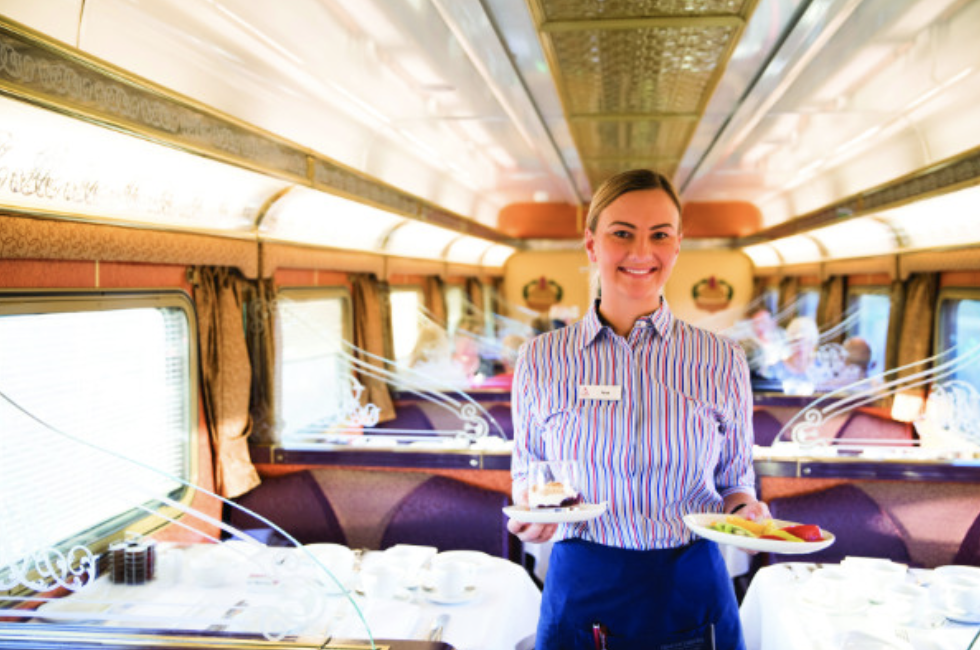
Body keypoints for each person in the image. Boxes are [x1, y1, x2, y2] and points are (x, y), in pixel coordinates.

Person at [508, 169, 769, 650]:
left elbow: (735, 482)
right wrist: (532, 511)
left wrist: (746, 511)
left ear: (678, 245)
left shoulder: (721, 360)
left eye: (660, 235)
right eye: (622, 233)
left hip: (690, 582)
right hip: (582, 579)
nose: (641, 252)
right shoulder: (541, 359)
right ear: (592, 244)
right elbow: (528, 471)